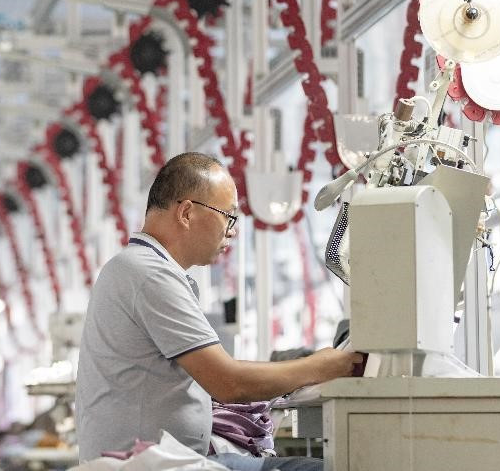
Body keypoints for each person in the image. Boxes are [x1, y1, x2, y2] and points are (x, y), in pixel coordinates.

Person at [75, 152, 362, 470]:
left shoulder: (140, 268)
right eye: (229, 216)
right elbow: (228, 382)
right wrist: (321, 366)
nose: (232, 231)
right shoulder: (148, 273)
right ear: (186, 213)